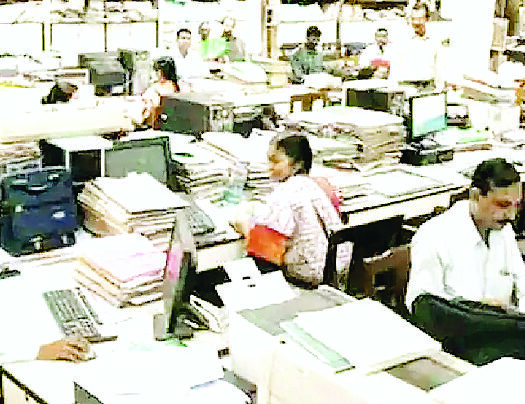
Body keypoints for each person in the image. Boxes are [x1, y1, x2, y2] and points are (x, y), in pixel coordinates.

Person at [406, 158, 525, 364]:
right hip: (459, 345)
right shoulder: (434, 235)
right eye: (503, 205)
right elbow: (424, 309)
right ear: (476, 195)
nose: (512, 216)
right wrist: (480, 309)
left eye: (516, 206)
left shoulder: (502, 230)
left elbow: (521, 283)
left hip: (502, 340)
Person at [234, 134, 350, 288]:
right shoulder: (314, 186)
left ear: (296, 164)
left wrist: (245, 228)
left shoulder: (285, 193)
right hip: (334, 273)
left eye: (276, 161)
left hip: (306, 278)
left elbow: (266, 252)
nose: (269, 167)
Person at [389, 1, 441, 89]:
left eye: (420, 19)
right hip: (407, 87)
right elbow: (394, 67)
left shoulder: (434, 40)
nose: (416, 22)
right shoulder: (402, 40)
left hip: (428, 87)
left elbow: (439, 67)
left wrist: (440, 88)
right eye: (413, 19)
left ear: (427, 19)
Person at [141, 56, 180, 127]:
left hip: (151, 117)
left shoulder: (160, 87)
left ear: (162, 72)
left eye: (156, 71)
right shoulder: (174, 86)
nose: (154, 73)